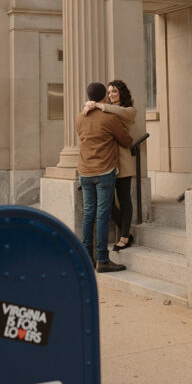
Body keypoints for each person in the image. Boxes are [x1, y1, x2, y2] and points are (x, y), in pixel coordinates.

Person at [76, 81, 133, 273]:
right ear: (103, 97)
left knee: (88, 215)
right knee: (102, 215)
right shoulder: (110, 119)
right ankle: (102, 259)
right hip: (104, 171)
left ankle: (86, 258)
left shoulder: (79, 118)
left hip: (84, 171)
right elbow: (126, 140)